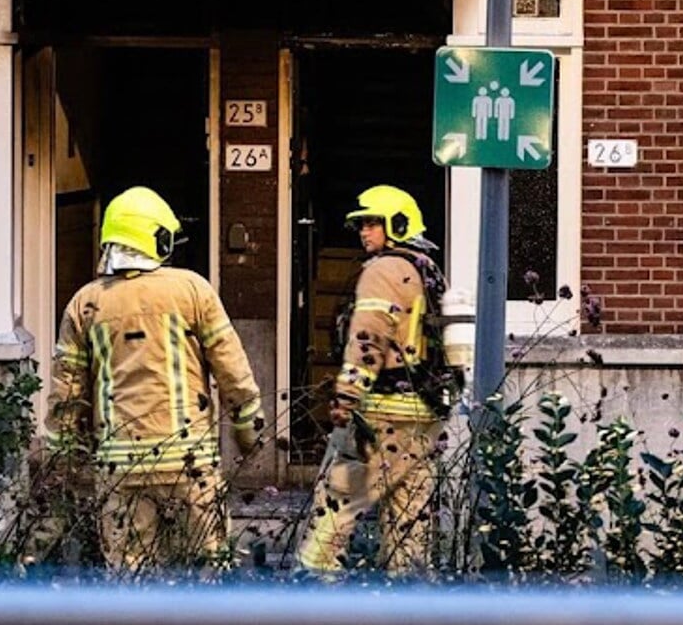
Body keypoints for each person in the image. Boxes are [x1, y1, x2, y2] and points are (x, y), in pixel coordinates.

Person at [49, 185, 264, 575]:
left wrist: (61, 461)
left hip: (121, 466)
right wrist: (247, 427)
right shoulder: (192, 290)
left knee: (130, 579)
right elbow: (231, 366)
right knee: (207, 570)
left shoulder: (85, 303)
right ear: (158, 238)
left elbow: (66, 394)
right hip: (189, 462)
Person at [297, 184, 455, 574]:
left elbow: (368, 336)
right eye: (362, 225)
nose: (364, 232)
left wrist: (347, 395)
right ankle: (407, 607)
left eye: (372, 223)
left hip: (381, 415)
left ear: (397, 225)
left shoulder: (382, 270)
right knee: (410, 519)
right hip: (424, 415)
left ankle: (313, 593)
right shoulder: (429, 269)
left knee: (335, 506)